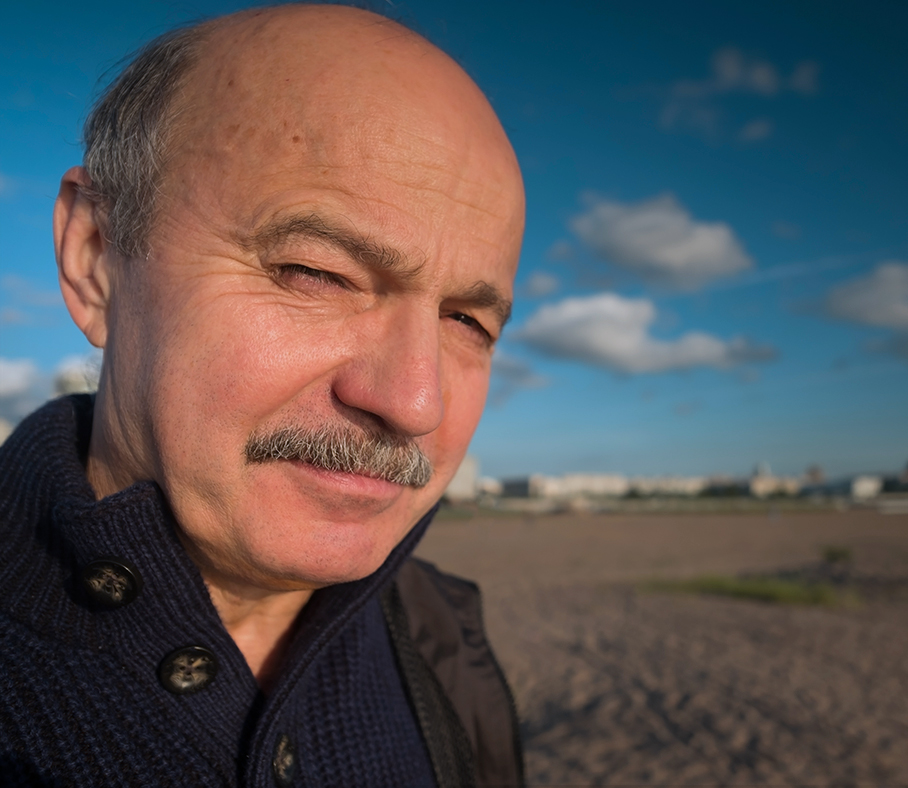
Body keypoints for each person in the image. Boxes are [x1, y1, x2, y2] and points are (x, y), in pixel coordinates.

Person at [0, 4, 525, 786]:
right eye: (316, 273)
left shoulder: (444, 636)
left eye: (467, 322)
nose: (415, 403)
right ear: (96, 257)